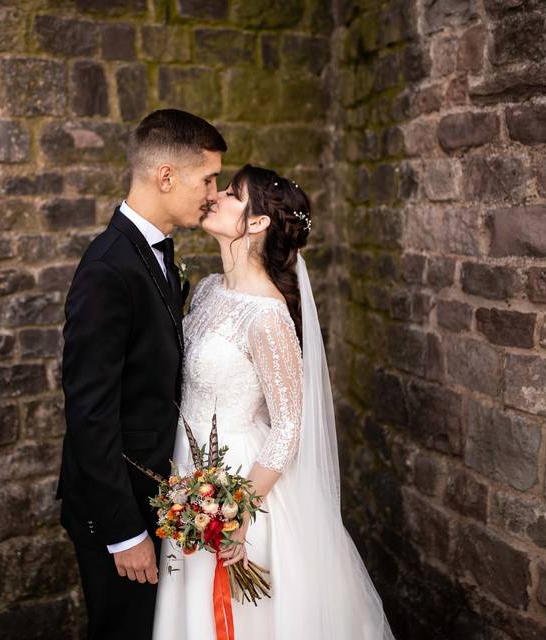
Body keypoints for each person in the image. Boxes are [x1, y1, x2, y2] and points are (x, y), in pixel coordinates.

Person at [153, 165, 396, 639]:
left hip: (242, 480)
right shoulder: (206, 291)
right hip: (191, 469)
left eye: (231, 193)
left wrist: (239, 512)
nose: (215, 197)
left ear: (259, 222)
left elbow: (288, 425)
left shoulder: (267, 316)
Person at [57, 109, 227, 640]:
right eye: (208, 178)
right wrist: (125, 531)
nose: (213, 193)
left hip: (158, 500)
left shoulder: (154, 255)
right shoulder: (108, 269)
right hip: (121, 510)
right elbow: (90, 411)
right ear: (167, 176)